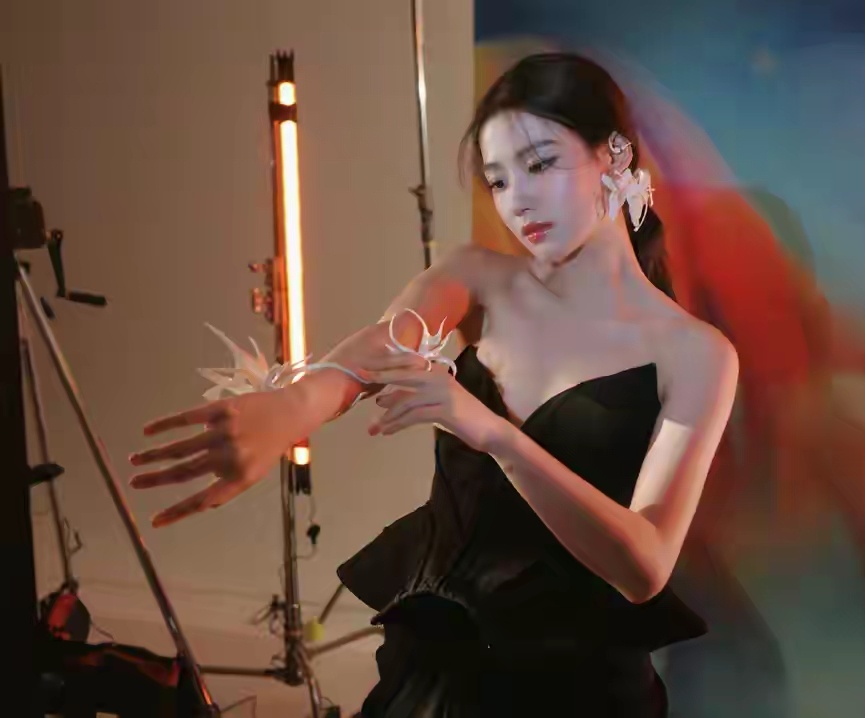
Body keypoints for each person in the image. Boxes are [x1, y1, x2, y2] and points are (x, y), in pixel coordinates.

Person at [128, 52, 739, 717]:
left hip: (582, 691)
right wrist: (294, 404)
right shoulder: (479, 280)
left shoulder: (697, 354)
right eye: (498, 180)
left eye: (540, 164)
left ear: (614, 154)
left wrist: (490, 432)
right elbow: (384, 344)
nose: (517, 200)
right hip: (440, 674)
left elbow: (644, 568)